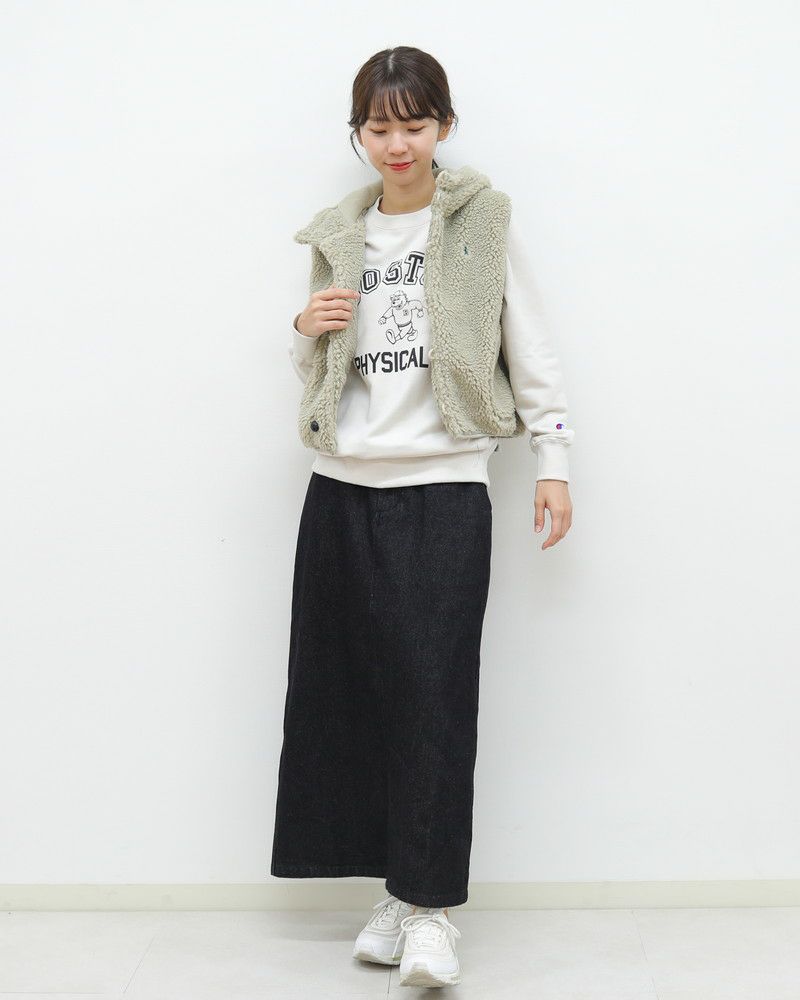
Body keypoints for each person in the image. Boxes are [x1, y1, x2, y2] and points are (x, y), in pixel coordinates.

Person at [271, 45, 575, 989]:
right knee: (347, 699)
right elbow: (326, 370)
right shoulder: (339, 233)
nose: (396, 143)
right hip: (340, 486)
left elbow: (530, 343)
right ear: (357, 134)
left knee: (435, 698)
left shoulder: (482, 221)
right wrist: (304, 330)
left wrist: (553, 460)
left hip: (443, 487)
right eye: (378, 126)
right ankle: (397, 897)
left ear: (444, 125)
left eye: (413, 124)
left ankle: (434, 909)